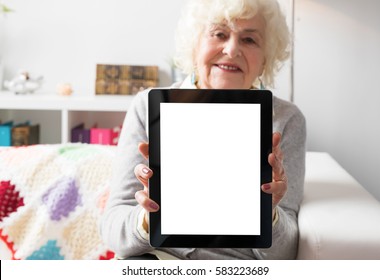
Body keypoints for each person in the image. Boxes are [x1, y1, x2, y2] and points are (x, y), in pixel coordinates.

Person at [100, 0, 306, 260]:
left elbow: (285, 253)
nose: (232, 50)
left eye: (250, 40)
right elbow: (112, 230)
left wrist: (270, 212)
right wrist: (146, 216)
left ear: (266, 58)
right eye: (219, 34)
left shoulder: (286, 120)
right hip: (151, 259)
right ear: (195, 43)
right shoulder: (148, 106)